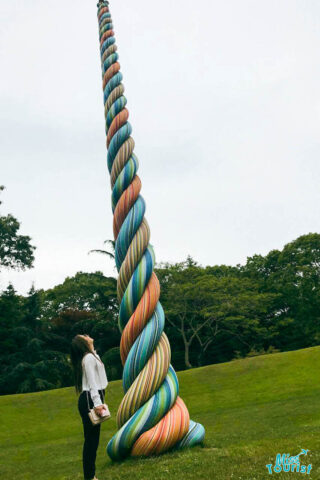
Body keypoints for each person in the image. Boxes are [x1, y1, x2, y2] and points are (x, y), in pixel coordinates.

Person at [70, 334, 108, 480]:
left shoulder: (90, 356)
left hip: (89, 399)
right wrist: (97, 404)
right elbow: (93, 383)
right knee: (91, 441)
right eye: (84, 336)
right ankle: (90, 477)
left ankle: (90, 476)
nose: (88, 335)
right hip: (90, 400)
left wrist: (92, 349)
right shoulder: (89, 358)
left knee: (92, 440)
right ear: (83, 343)